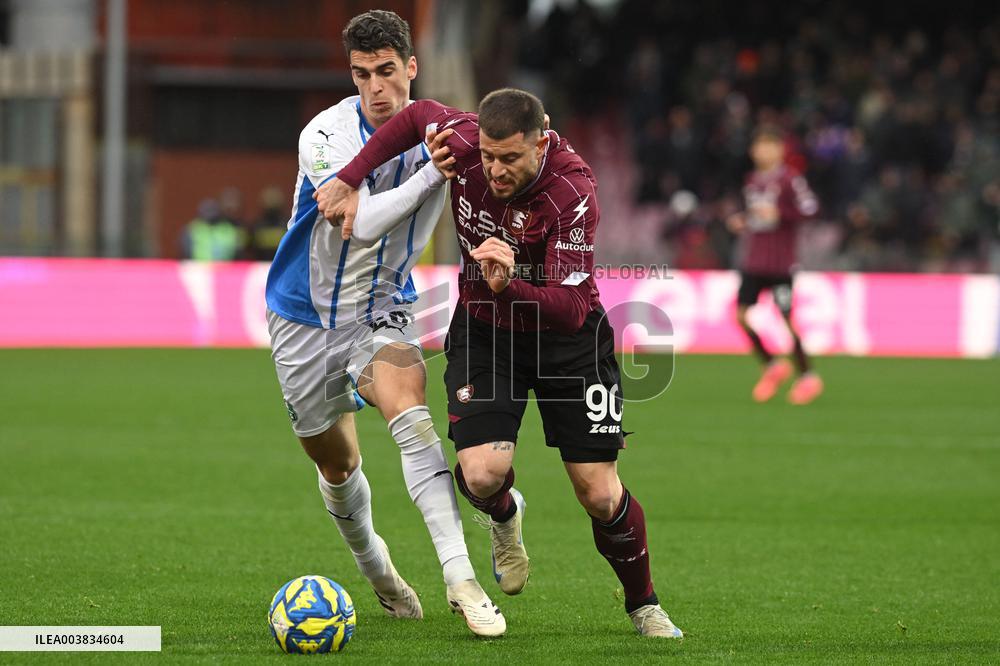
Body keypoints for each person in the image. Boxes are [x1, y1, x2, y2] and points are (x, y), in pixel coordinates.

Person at [317, 88, 684, 638]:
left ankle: (644, 604)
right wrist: (351, 177)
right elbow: (416, 115)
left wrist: (509, 285)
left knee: (598, 492)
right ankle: (505, 514)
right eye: (488, 156)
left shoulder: (571, 191)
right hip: (487, 332)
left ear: (542, 139)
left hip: (566, 341)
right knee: (481, 474)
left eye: (510, 158)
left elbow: (571, 308)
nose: (494, 170)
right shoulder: (464, 140)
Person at [263, 10, 504, 637]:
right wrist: (431, 172)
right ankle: (379, 570)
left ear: (411, 67)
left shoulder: (446, 130)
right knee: (337, 464)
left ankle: (461, 577)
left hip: (383, 306)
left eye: (387, 71)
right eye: (362, 73)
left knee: (411, 413)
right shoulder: (326, 135)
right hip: (303, 317)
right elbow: (362, 223)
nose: (375, 86)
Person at [726, 125, 823, 404]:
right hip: (754, 261)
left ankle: (808, 377)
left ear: (780, 150)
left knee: (787, 320)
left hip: (781, 264)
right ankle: (772, 365)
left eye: (769, 146)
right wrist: (743, 220)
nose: (763, 152)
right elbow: (757, 216)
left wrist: (781, 212)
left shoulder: (791, 179)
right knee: (740, 316)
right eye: (759, 146)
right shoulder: (752, 181)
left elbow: (811, 209)